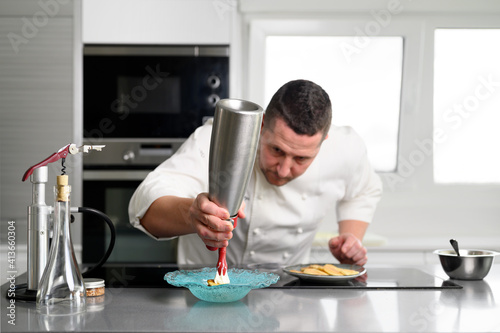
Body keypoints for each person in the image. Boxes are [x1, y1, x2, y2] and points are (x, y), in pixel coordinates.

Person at [128, 79, 382, 266]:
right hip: (207, 292)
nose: (283, 170)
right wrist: (192, 215)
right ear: (261, 127)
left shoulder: (346, 148)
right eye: (276, 150)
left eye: (301, 159)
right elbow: (144, 204)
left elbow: (365, 190)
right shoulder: (223, 137)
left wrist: (350, 237)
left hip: (290, 295)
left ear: (324, 140)